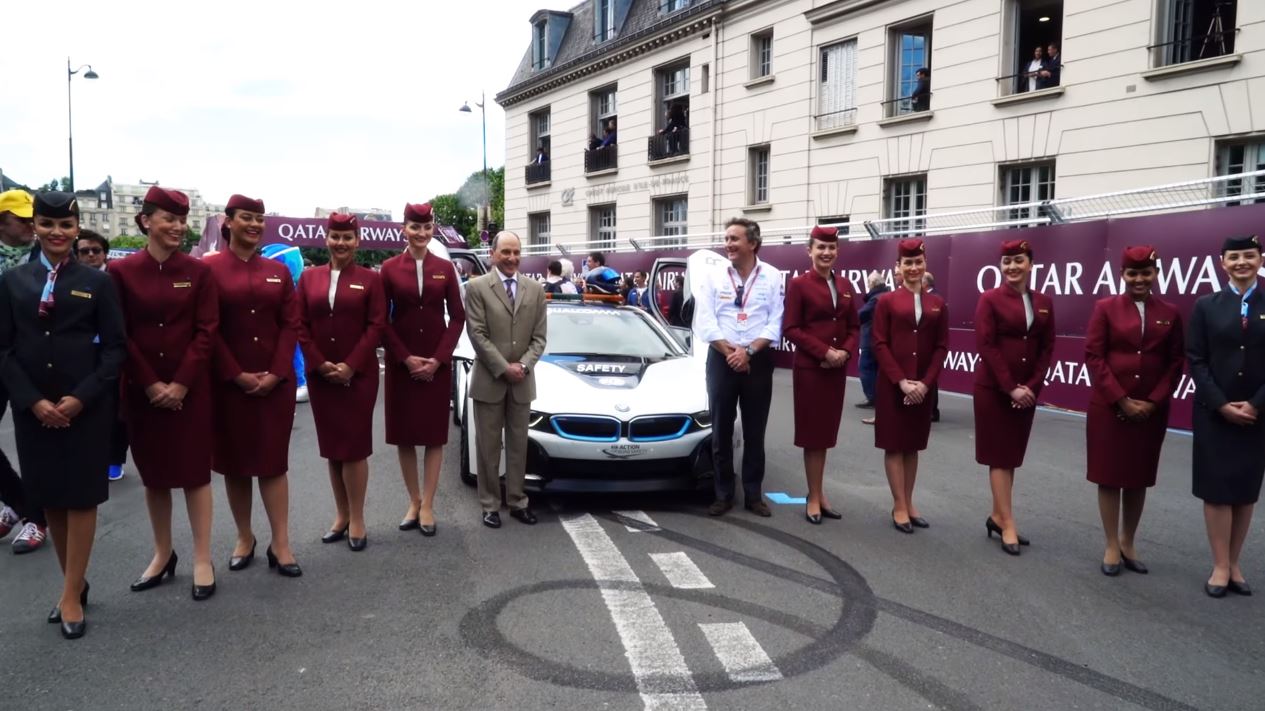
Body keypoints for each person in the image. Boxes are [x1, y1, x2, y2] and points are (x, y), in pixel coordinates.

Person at [0, 192, 126, 639]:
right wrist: (33, 401)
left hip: (85, 407)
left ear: (77, 229)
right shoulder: (14, 281)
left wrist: (81, 397)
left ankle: (71, 593)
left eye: (66, 225)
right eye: (48, 224)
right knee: (51, 495)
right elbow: (5, 349)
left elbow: (114, 349)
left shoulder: (97, 282)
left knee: (81, 496)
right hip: (33, 408)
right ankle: (74, 581)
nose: (57, 233)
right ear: (35, 225)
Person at [110, 186, 220, 601]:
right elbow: (119, 334)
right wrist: (152, 383)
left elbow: (206, 332)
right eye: (168, 219)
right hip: (143, 391)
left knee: (195, 475)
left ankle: (202, 558)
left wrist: (181, 383)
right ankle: (162, 553)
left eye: (181, 219)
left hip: (190, 391)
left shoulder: (198, 272)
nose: (177, 226)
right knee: (154, 477)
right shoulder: (122, 273)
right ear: (146, 221)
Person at [204, 194, 302, 577]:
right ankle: (244, 537)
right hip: (230, 383)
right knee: (235, 464)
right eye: (246, 217)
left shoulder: (277, 271)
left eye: (259, 219)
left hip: (275, 384)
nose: (254, 225)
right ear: (228, 222)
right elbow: (208, 329)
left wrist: (277, 373)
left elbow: (290, 323)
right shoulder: (209, 270)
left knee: (273, 463)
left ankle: (281, 542)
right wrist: (237, 374)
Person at [1085, 246, 1185, 577]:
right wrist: (1121, 399)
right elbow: (1094, 357)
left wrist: (1153, 401)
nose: (1139, 279)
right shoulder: (1105, 308)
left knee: (1138, 477)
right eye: (1132, 273)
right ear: (1122, 275)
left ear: (1156, 274)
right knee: (1110, 477)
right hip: (1110, 408)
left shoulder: (1170, 312)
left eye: (1145, 273)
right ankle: (1111, 543)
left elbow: (1175, 361)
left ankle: (1129, 541)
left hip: (1151, 410)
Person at [297, 213, 386, 552]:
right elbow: (299, 323)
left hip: (358, 376)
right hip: (321, 377)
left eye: (348, 237)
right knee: (333, 448)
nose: (341, 243)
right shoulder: (308, 278)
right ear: (326, 238)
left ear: (357, 240)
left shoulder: (370, 279)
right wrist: (319, 363)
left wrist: (350, 365)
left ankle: (358, 517)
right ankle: (341, 514)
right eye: (336, 236)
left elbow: (376, 326)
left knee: (354, 447)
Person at [380, 203, 467, 539]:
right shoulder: (388, 268)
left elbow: (457, 316)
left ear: (433, 229)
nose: (421, 233)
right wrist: (404, 358)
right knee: (404, 435)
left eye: (427, 227)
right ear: (404, 229)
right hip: (403, 364)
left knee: (433, 437)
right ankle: (413, 501)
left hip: (436, 362)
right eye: (415, 227)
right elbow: (381, 320)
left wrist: (439, 358)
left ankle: (428, 503)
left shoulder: (444, 268)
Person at [1187, 234, 1265, 598]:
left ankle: (1235, 563)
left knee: (1245, 492)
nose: (1241, 263)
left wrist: (1256, 403)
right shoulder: (1207, 305)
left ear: (1260, 259)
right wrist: (1220, 403)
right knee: (1217, 492)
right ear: (1223, 263)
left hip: (1257, 414)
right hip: (1214, 413)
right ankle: (1219, 565)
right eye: (1234, 257)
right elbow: (1196, 360)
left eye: (1249, 256)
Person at [694, 217, 784, 517]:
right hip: (721, 358)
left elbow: (775, 322)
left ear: (753, 243)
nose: (728, 244)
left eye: (734, 239)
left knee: (755, 431)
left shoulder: (772, 276)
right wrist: (731, 351)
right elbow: (705, 320)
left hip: (757, 360)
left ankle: (754, 495)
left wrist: (747, 352)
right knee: (720, 429)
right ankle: (723, 493)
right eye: (727, 238)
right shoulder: (713, 275)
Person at [974, 239, 1056, 555]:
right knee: (999, 456)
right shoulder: (990, 299)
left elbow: (1047, 347)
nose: (1012, 267)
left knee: (1011, 457)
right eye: (1007, 261)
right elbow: (987, 346)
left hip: (1027, 391)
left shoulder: (1044, 301)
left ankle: (998, 515)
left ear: (1030, 264)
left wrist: (1032, 386)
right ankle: (1008, 523)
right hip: (995, 390)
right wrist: (1011, 387)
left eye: (1018, 260)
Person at [464, 231, 547, 528]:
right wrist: (503, 367)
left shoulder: (535, 290)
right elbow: (477, 335)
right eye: (506, 252)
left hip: (522, 381)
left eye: (516, 252)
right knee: (487, 447)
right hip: (490, 380)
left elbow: (539, 338)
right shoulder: (476, 287)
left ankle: (517, 500)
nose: (511, 258)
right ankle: (489, 504)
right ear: (493, 254)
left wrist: (523, 366)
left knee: (517, 445)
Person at [782, 226, 859, 524]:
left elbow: (854, 327)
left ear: (838, 251)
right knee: (812, 435)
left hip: (835, 370)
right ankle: (813, 496)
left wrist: (845, 353)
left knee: (826, 435)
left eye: (831, 247)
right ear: (809, 250)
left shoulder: (846, 285)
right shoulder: (800, 285)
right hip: (812, 369)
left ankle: (819, 492)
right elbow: (791, 328)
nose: (826, 252)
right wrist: (824, 352)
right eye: (820, 247)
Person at [871, 239, 948, 533]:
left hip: (923, 388)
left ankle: (909, 501)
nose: (913, 268)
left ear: (925, 264)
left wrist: (926, 383)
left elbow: (941, 346)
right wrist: (901, 381)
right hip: (894, 385)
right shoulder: (887, 302)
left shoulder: (938, 304)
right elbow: (880, 343)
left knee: (913, 446)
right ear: (899, 268)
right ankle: (899, 505)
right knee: (894, 445)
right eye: (908, 263)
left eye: (918, 262)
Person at [0, 188, 48, 554]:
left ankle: (35, 517)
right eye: (23, 218)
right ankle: (25, 508)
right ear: (3, 221)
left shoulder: (44, 254)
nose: (32, 225)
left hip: (31, 361)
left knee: (32, 441)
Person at [76, 230, 130, 482]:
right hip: (83, 353)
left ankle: (115, 459)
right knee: (85, 403)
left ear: (104, 253)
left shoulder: (118, 277)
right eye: (84, 251)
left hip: (115, 350)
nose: (90, 255)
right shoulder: (70, 279)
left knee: (117, 408)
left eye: (95, 250)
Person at [856, 271, 889, 421]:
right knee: (877, 371)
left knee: (866, 368)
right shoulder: (886, 296)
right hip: (880, 340)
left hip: (871, 340)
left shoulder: (875, 299)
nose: (867, 286)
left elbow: (860, 316)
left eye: (868, 283)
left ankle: (873, 398)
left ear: (873, 284)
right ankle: (876, 399)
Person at [922, 271, 941, 422]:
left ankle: (932, 411)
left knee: (931, 381)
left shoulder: (936, 299)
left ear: (925, 282)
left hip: (930, 345)